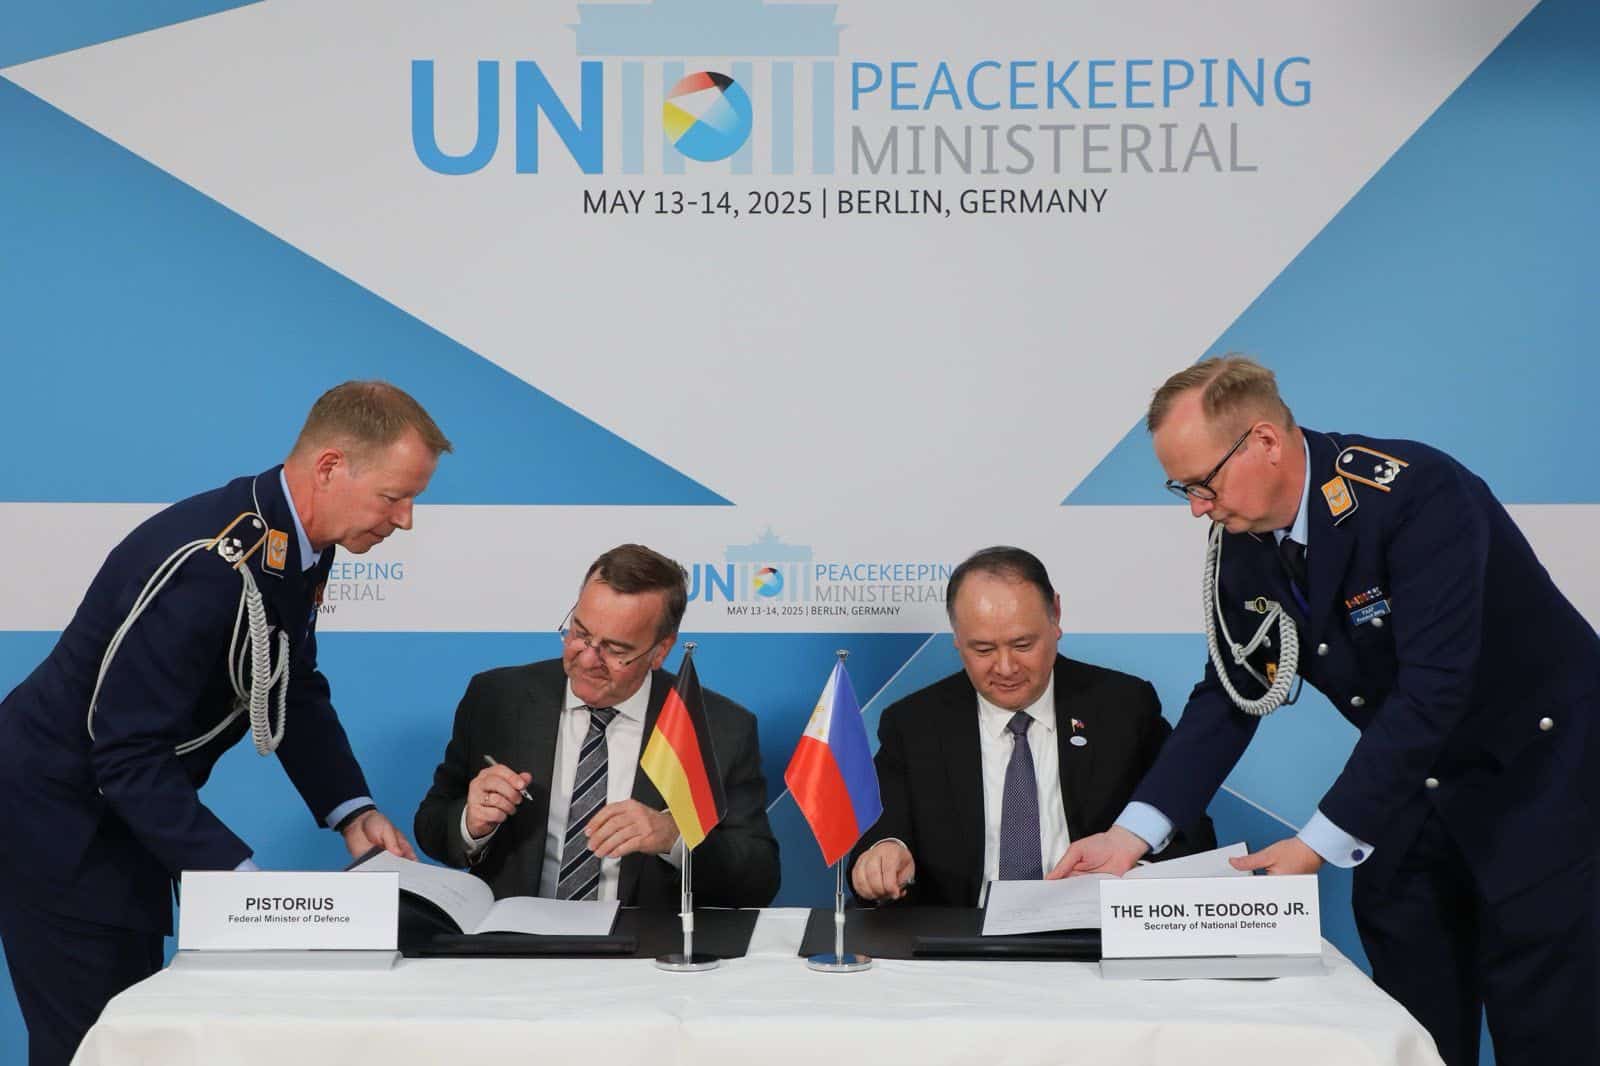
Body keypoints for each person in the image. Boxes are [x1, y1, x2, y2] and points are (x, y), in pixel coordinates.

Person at [1053, 355, 1598, 1066]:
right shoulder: (1242, 541)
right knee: (1410, 1019)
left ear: (1264, 442)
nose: (1196, 509)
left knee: (1546, 1019)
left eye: (1202, 484)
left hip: (1538, 774)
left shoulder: (1417, 495)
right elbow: (1232, 692)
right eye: (1181, 490)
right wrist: (1132, 835)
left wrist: (1314, 844)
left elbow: (1434, 687)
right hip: (1412, 781)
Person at [0, 380, 451, 1066]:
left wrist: (351, 810)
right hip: (60, 822)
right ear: (331, 467)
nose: (406, 520)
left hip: (126, 815)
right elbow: (124, 752)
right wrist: (237, 881)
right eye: (395, 497)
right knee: (90, 1048)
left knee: (135, 1042)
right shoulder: (210, 564)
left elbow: (290, 681)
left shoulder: (297, 539)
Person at [414, 543, 780, 907]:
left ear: (660, 650)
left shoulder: (718, 728)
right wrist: (471, 823)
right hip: (514, 935)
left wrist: (675, 838)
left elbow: (759, 878)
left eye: (615, 650)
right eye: (580, 633)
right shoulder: (496, 698)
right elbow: (432, 825)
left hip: (644, 939)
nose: (588, 659)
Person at [849, 546, 1215, 906]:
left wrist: (1132, 873)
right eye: (983, 649)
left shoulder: (1124, 707)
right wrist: (884, 855)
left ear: (1055, 617)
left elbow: (1190, 830)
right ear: (956, 637)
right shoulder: (914, 724)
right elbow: (880, 835)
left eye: (1022, 644)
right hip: (960, 932)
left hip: (1093, 925)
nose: (1006, 667)